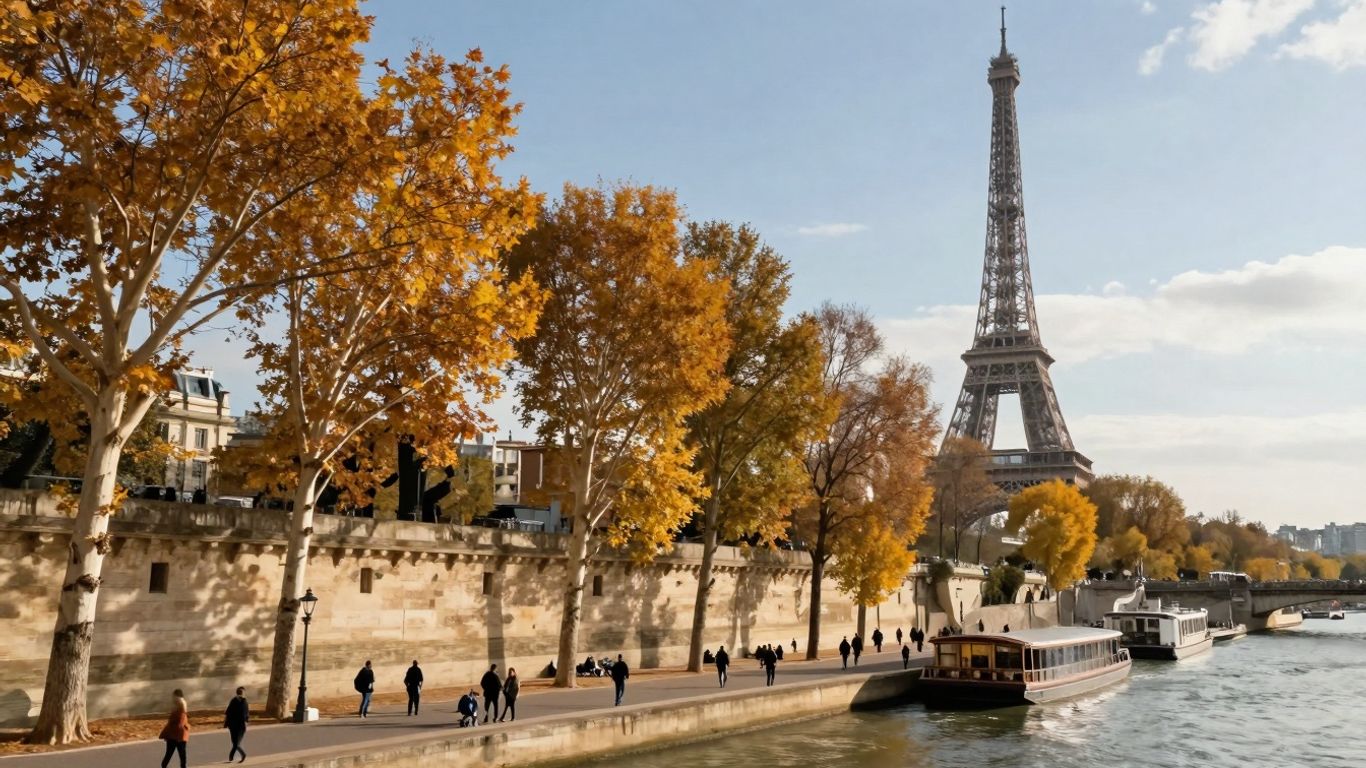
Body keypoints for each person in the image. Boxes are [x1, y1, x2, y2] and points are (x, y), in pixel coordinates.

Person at [158, 688, 189, 768]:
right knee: (173, 754)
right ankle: (164, 766)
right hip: (175, 734)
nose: (172, 697)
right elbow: (171, 723)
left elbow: (179, 722)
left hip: (179, 734)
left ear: (177, 697)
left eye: (174, 696)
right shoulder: (176, 707)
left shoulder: (181, 705)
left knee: (180, 754)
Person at [224, 686, 249, 764]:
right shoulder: (244, 702)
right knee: (236, 743)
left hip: (233, 725)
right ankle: (235, 755)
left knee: (235, 742)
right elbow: (246, 715)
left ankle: (234, 755)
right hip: (240, 726)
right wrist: (246, 723)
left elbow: (227, 713)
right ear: (243, 693)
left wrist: (225, 723)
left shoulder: (233, 701)